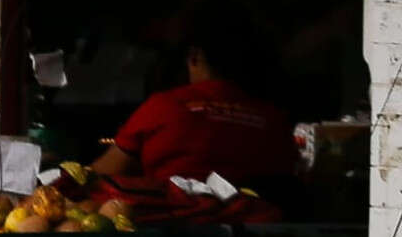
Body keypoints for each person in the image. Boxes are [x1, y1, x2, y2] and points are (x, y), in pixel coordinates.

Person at [94, 31, 304, 210]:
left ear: (194, 57)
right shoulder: (273, 119)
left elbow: (102, 174)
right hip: (253, 233)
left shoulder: (164, 105)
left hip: (172, 228)